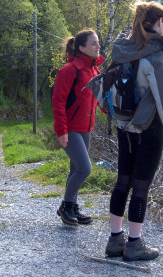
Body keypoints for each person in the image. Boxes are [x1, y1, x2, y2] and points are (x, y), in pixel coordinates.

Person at [104, 1, 163, 261]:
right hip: (148, 127)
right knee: (140, 186)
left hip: (123, 123)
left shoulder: (123, 47)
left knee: (122, 181)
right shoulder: (156, 55)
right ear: (157, 23)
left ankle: (114, 241)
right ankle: (135, 244)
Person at [52, 29, 105, 226]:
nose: (98, 46)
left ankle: (72, 207)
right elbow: (58, 102)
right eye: (93, 43)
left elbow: (99, 99)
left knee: (75, 168)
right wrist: (61, 131)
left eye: (98, 42)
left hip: (86, 128)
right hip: (70, 128)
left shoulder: (94, 70)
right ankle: (66, 205)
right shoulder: (69, 70)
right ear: (81, 47)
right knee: (84, 168)